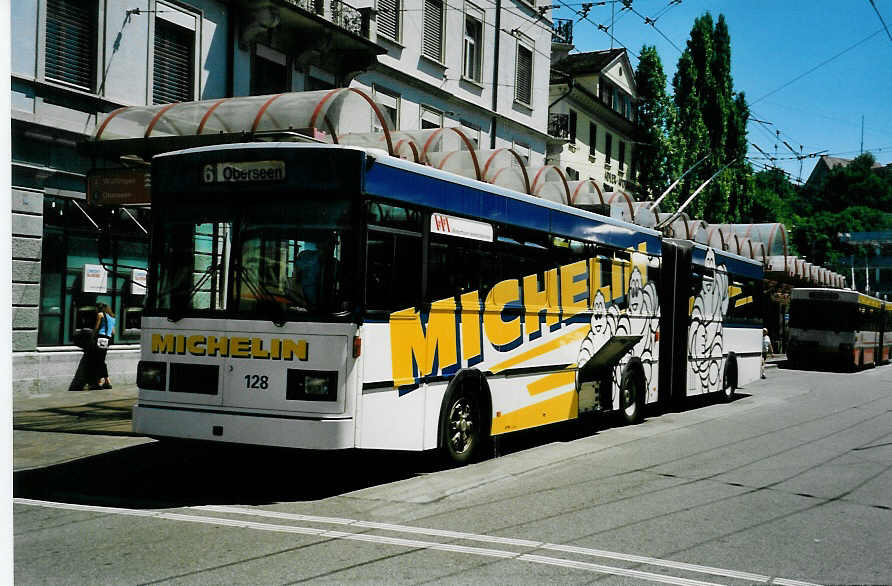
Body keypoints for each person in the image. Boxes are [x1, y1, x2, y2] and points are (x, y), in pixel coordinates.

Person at [91, 303, 116, 390]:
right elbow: (114, 332)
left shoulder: (100, 315)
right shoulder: (112, 318)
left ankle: (100, 382)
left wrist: (92, 336)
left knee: (99, 361)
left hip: (100, 338)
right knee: (101, 360)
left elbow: (96, 327)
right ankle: (107, 381)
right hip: (107, 339)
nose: (96, 310)